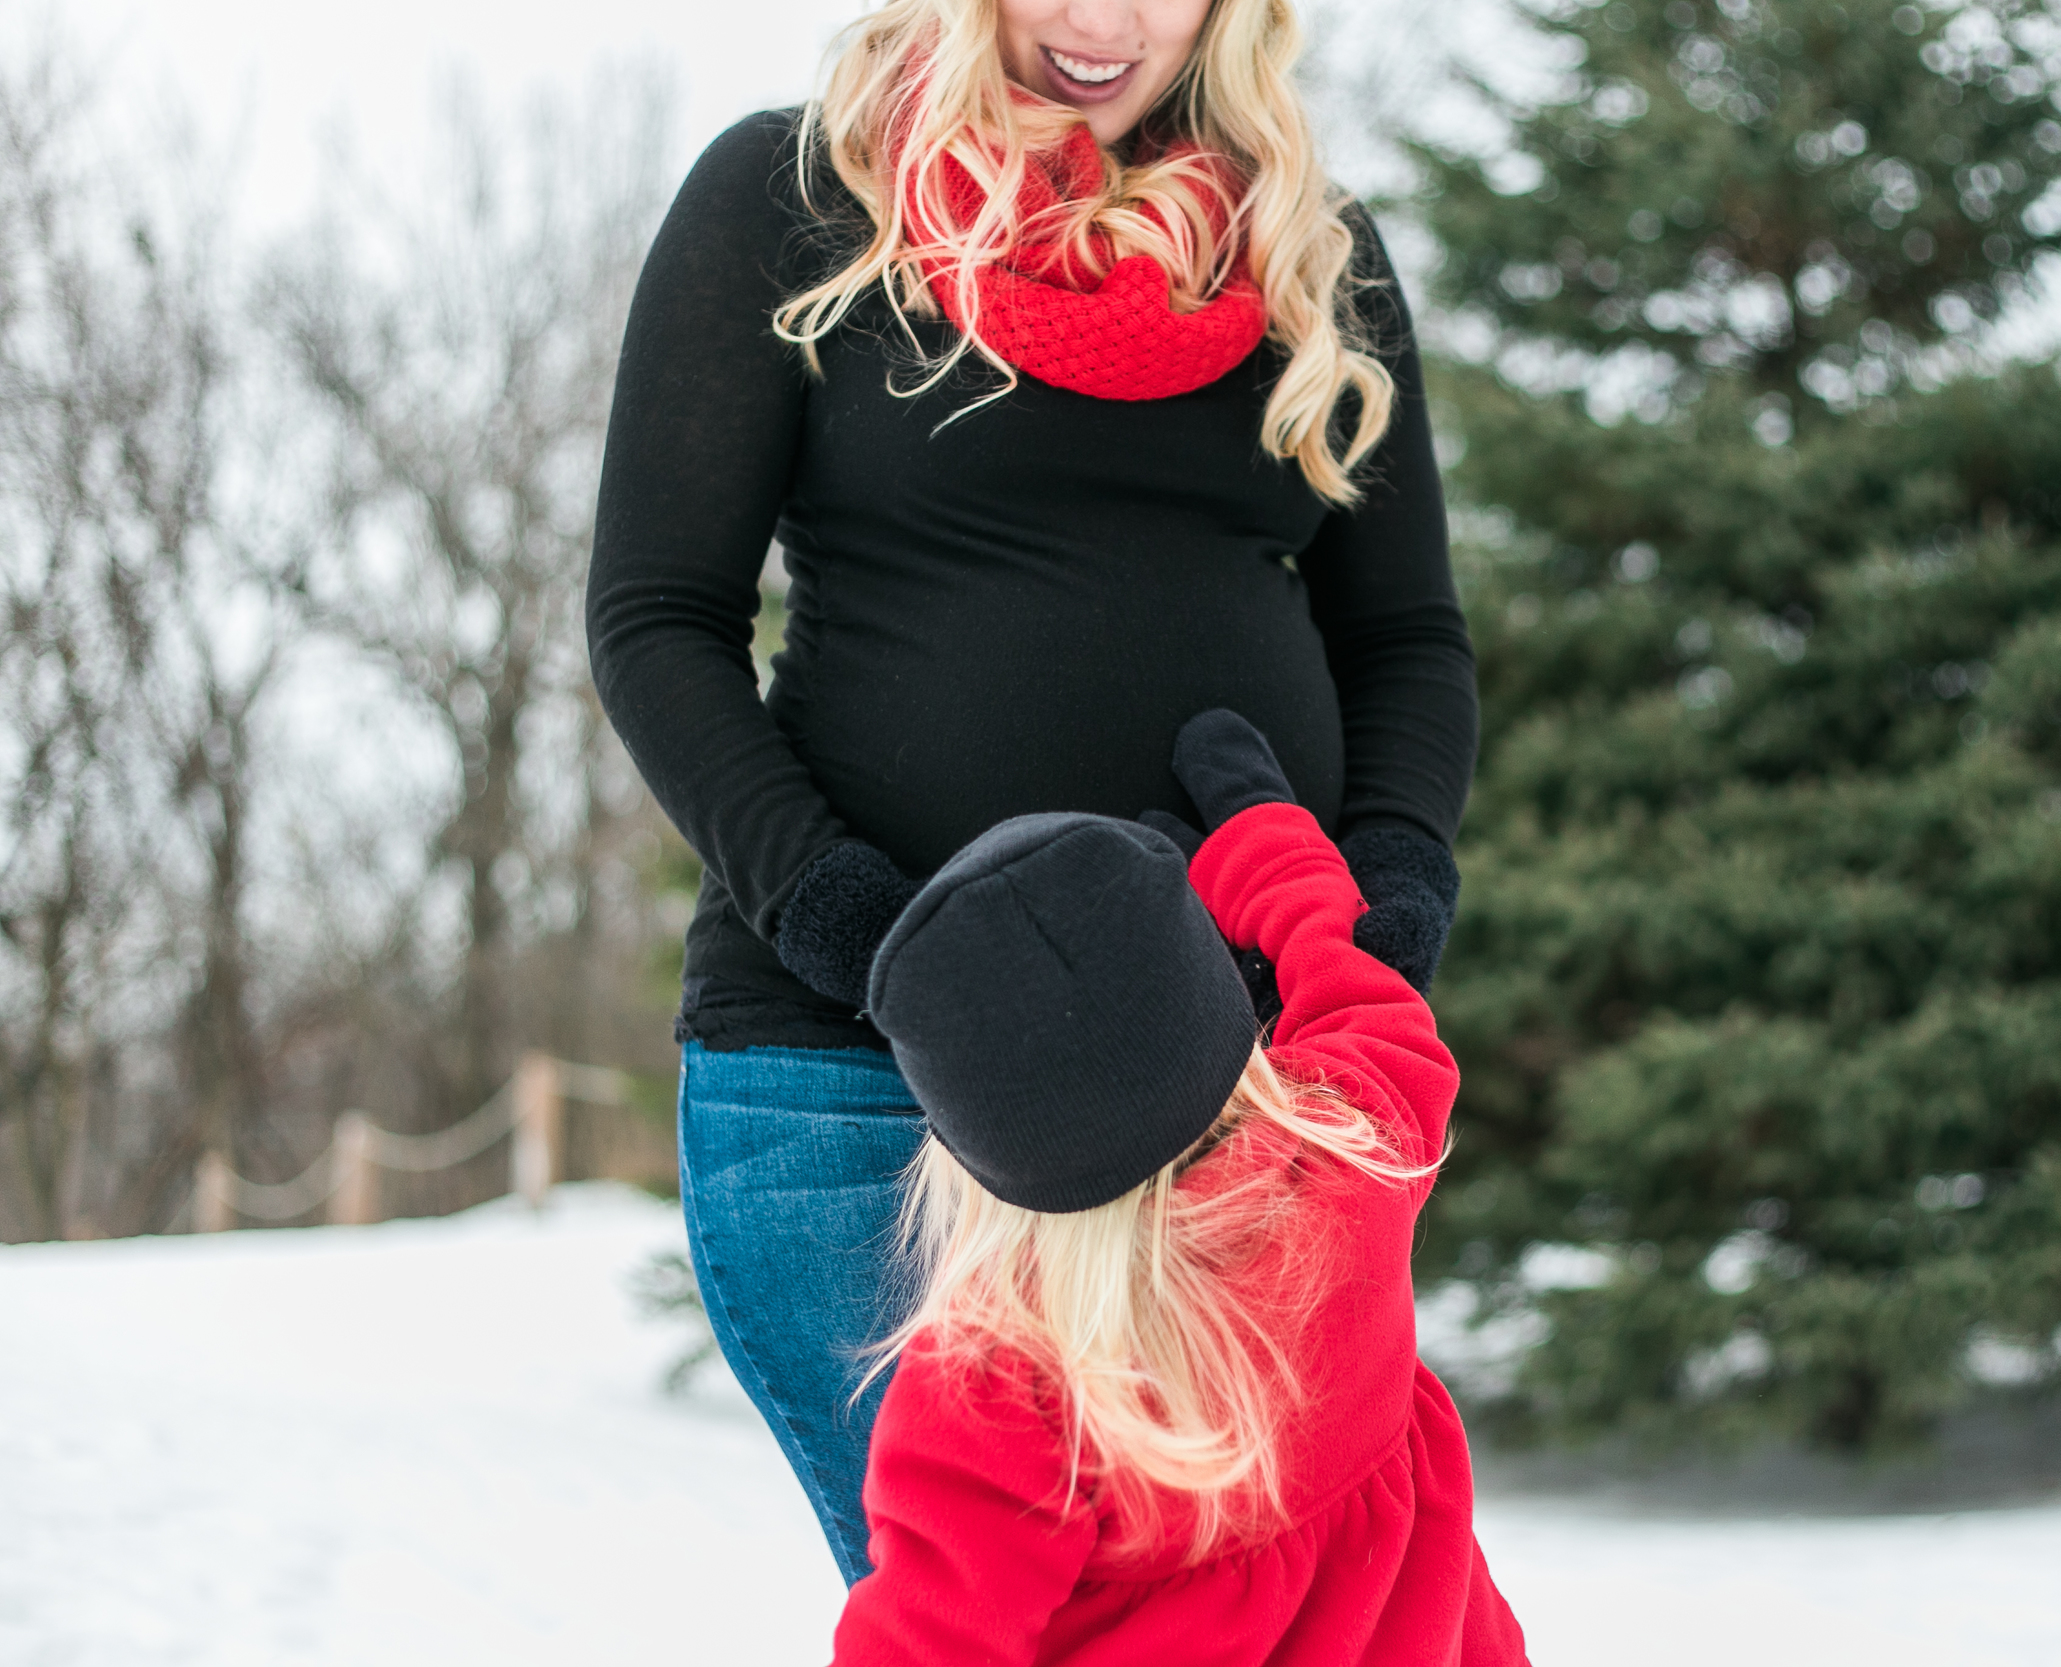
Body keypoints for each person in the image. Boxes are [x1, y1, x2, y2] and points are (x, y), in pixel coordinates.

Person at [585, 0, 1476, 1584]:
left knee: (1250, 1615)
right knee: (999, 1615)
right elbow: (657, 621)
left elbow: (1404, 638)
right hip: (861, 1082)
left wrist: (1390, 898)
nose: (1100, 21)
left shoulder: (1307, 248)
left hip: (1238, 1092)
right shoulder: (798, 200)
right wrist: (856, 927)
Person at [834, 710, 1525, 1664]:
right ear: (1227, 1016)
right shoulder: (1355, 1151)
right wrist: (1260, 834)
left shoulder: (1007, 1384)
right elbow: (1363, 989)